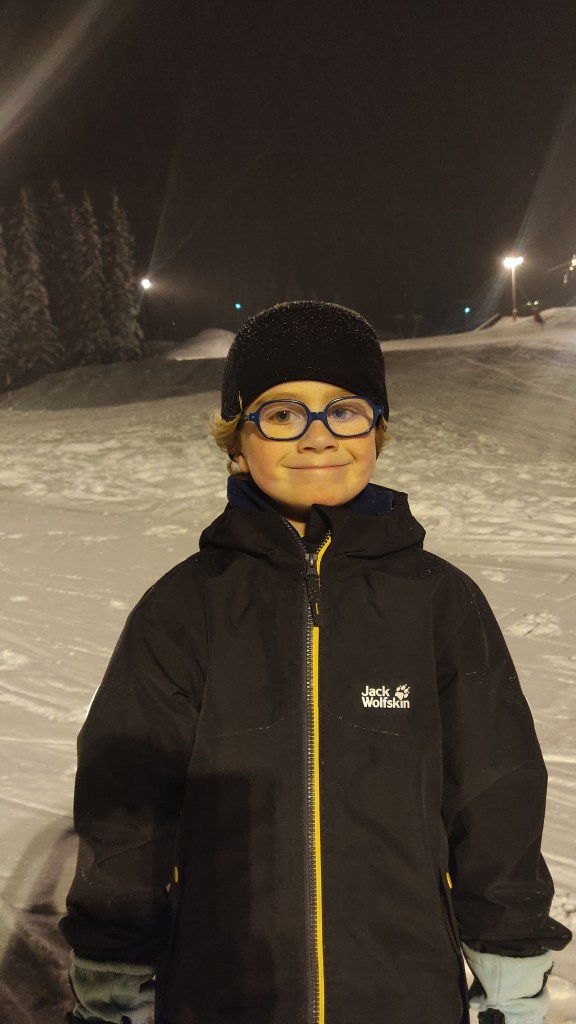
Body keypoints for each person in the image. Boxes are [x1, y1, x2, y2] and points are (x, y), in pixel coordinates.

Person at [61, 300, 571, 1024]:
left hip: (405, 997)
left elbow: (496, 798)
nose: (318, 434)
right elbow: (127, 807)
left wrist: (511, 978)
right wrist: (113, 979)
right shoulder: (182, 607)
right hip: (222, 996)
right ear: (238, 441)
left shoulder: (439, 602)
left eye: (345, 410)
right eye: (282, 413)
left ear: (377, 430)